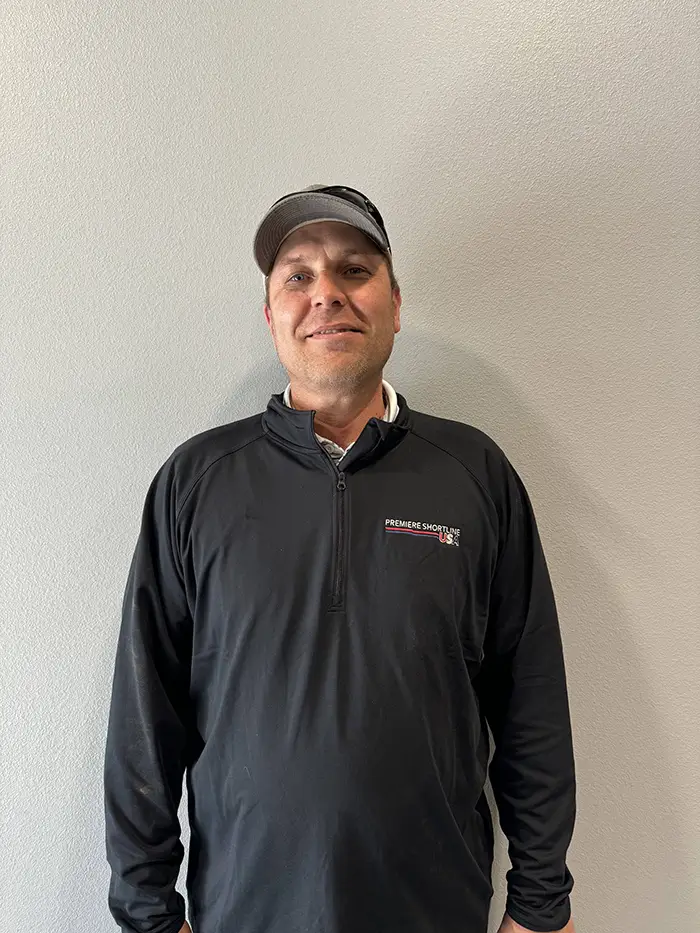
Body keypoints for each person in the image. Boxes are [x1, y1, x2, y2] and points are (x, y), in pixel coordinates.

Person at [103, 184, 577, 933]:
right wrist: (146, 914)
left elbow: (531, 700)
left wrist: (541, 906)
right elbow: (144, 715)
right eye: (298, 276)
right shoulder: (197, 482)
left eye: (355, 270)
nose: (326, 293)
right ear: (271, 316)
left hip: (435, 909)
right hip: (246, 912)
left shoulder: (474, 474)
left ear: (395, 303)